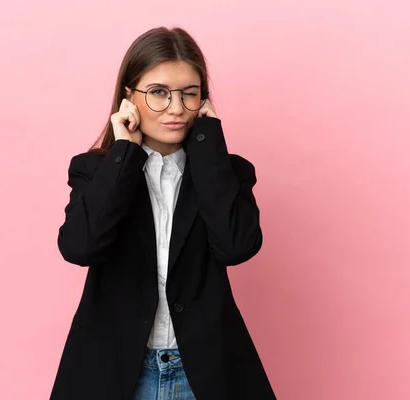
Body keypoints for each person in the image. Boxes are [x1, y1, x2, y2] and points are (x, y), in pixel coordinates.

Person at [50, 26, 277, 400]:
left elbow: (236, 247)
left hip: (204, 374)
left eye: (190, 94)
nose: (176, 109)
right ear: (129, 97)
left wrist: (207, 144)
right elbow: (80, 248)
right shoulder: (95, 171)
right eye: (158, 92)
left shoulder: (227, 172)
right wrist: (124, 153)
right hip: (116, 372)